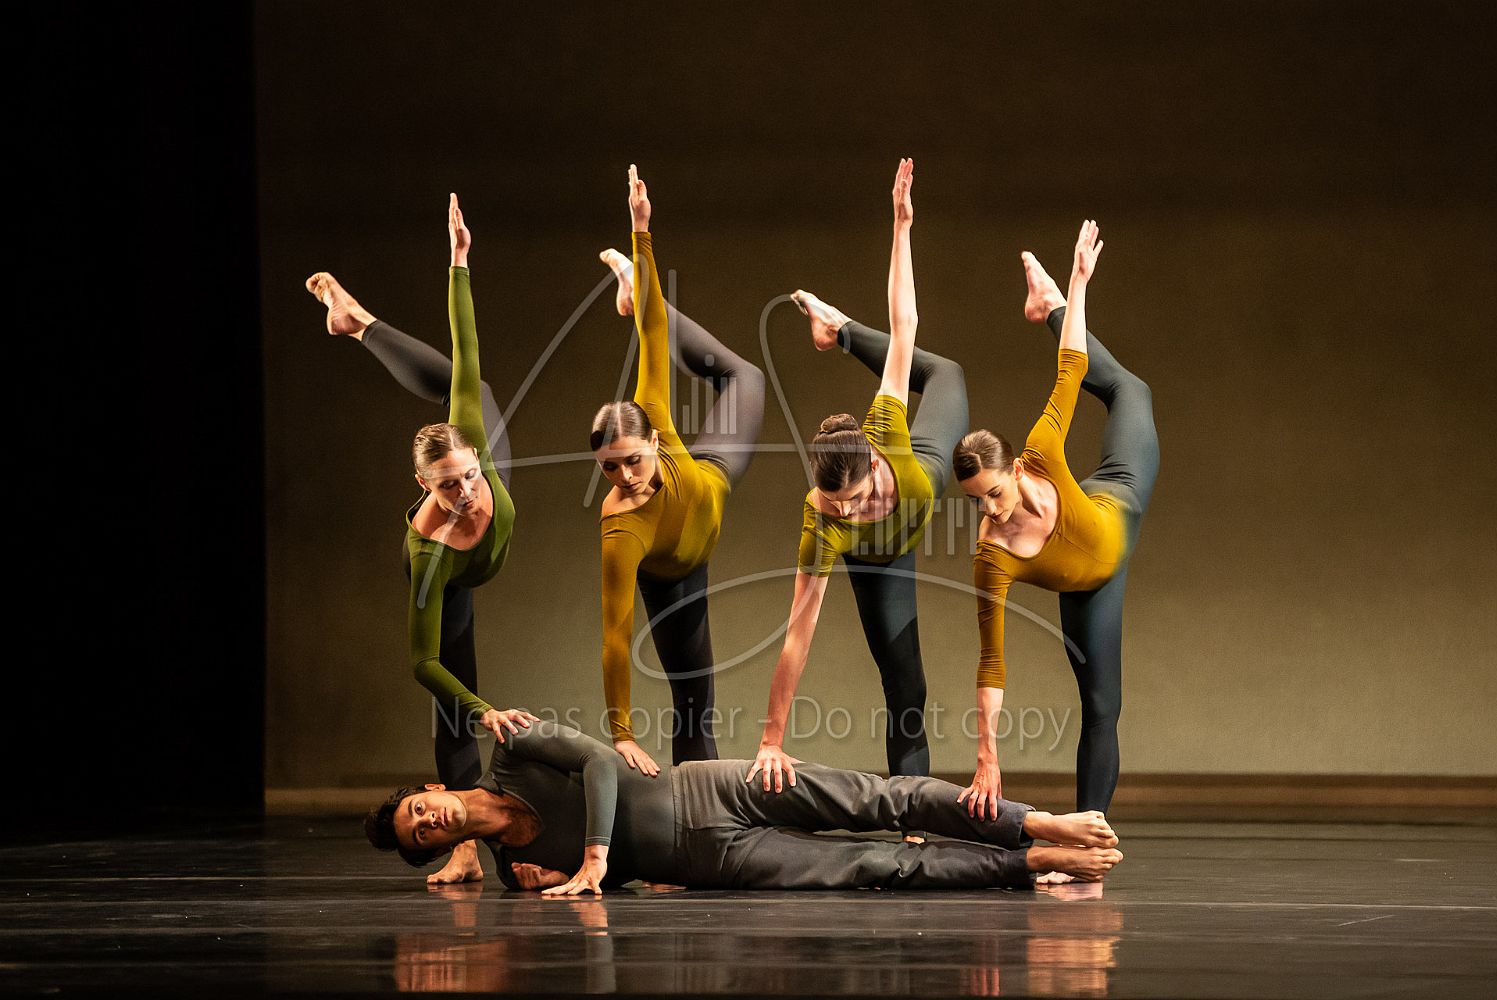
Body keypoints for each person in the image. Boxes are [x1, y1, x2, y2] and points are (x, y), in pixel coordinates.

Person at [305, 194, 535, 884]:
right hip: (459, 577)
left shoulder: (477, 457)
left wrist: (459, 262)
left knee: (469, 381)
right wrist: (484, 711)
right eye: (446, 486)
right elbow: (422, 662)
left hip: (479, 447)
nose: (464, 494)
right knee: (454, 695)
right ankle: (465, 849)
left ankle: (359, 323)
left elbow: (466, 343)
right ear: (421, 484)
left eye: (467, 477)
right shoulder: (428, 553)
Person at [750, 160, 969, 821]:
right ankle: (913, 824)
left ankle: (839, 329)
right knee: (906, 686)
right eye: (833, 505)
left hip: (924, 467)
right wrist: (770, 739)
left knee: (945, 371)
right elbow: (798, 633)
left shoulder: (885, 426)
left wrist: (901, 227)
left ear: (871, 464)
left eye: (851, 500)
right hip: (884, 561)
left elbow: (906, 323)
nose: (843, 511)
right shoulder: (822, 521)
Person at [364, 720, 1124, 892]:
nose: (429, 823)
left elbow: (598, 760)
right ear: (437, 847)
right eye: (420, 838)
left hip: (707, 785)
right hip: (713, 859)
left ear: (431, 791)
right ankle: (1029, 862)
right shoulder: (517, 871)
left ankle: (1029, 819)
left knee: (877, 798)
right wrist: (583, 878)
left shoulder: (511, 750)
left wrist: (592, 857)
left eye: (418, 813)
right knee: (871, 865)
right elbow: (616, 886)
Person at [954, 221, 1160, 824]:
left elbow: (1070, 367)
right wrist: (986, 756)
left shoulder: (1041, 450)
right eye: (976, 502)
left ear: (1015, 469)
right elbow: (991, 661)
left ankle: (1047, 305)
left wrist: (1076, 284)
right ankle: (1086, 837)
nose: (990, 510)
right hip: (1090, 584)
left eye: (995, 493)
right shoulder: (992, 557)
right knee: (1102, 708)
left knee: (1130, 391)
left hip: (1117, 493)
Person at [590, 165, 766, 774]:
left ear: (651, 439)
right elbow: (616, 637)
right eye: (610, 469)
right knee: (694, 701)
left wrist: (641, 233)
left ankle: (634, 287)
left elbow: (654, 335)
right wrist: (621, 734)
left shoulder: (654, 415)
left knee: (745, 376)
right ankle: (697, 815)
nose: (625, 477)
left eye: (633, 460)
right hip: (677, 575)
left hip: (710, 475)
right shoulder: (619, 530)